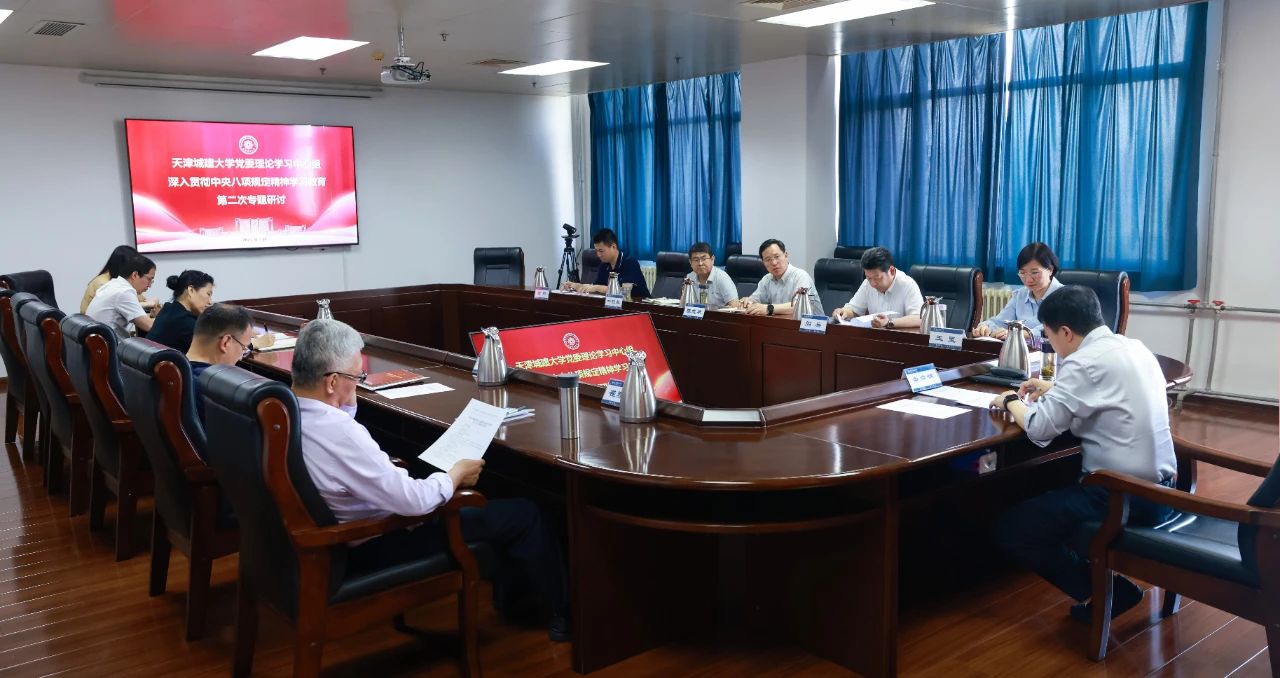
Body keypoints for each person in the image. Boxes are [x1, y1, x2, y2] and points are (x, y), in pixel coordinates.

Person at [290, 319, 570, 641]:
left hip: (338, 539)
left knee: (443, 482)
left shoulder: (288, 410)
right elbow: (414, 502)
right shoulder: (339, 432)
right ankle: (565, 614)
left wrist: (347, 402)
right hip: (376, 542)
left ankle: (511, 597)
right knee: (524, 513)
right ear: (332, 381)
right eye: (357, 377)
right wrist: (455, 475)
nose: (359, 384)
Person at [990, 286, 1178, 623]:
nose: (1051, 344)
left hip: (1123, 496)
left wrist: (1010, 400)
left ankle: (1108, 592)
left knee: (1013, 528)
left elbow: (1039, 427)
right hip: (1165, 490)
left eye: (1048, 336)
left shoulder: (1083, 362)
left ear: (1065, 332)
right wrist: (1055, 388)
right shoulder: (1133, 347)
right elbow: (1106, 393)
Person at [975, 242, 1065, 339]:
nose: (1028, 280)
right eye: (1022, 273)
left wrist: (1024, 333)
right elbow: (1000, 321)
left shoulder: (1064, 297)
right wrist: (985, 327)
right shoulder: (1020, 295)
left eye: (1034, 272)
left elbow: (1054, 329)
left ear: (1050, 269)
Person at [185, 302, 257, 424]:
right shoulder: (215, 392)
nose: (240, 358)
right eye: (243, 348)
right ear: (225, 342)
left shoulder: (175, 371)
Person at [832, 247, 923, 329]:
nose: (873, 284)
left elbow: (919, 318)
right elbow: (855, 310)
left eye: (877, 278)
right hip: (875, 337)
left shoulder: (907, 284)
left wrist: (889, 323)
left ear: (891, 271)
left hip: (901, 338)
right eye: (869, 278)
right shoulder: (867, 284)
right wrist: (843, 312)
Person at [734, 239, 823, 316]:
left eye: (777, 257)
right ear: (763, 262)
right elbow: (755, 300)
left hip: (813, 328)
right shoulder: (766, 280)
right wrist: (748, 301)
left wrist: (769, 308)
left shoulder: (801, 276)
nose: (774, 263)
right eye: (768, 259)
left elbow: (800, 306)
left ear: (786, 255)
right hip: (783, 325)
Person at [560, 228, 651, 300]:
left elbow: (621, 290)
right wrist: (575, 286)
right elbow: (593, 287)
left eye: (601, 251)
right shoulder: (604, 265)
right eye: (596, 250)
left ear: (613, 247)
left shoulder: (630, 262)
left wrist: (597, 287)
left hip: (639, 306)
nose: (598, 255)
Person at [85, 252, 157, 336]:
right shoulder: (124, 292)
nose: (150, 285)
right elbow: (149, 326)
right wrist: (162, 317)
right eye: (149, 279)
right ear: (135, 275)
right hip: (110, 342)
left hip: (99, 339)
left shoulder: (113, 284)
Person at [148, 270, 215, 353]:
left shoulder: (168, 309)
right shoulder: (185, 323)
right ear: (191, 290)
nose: (210, 302)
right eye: (208, 294)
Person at [80, 245, 160, 315]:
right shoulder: (104, 283)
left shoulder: (121, 283)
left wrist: (150, 304)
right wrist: (147, 304)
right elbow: (125, 304)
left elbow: (139, 299)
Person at [683, 242, 737, 309]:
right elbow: (684, 304)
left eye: (704, 259)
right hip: (696, 314)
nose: (700, 263)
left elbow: (735, 306)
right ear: (690, 262)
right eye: (696, 260)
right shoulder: (689, 278)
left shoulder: (722, 277)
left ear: (712, 259)